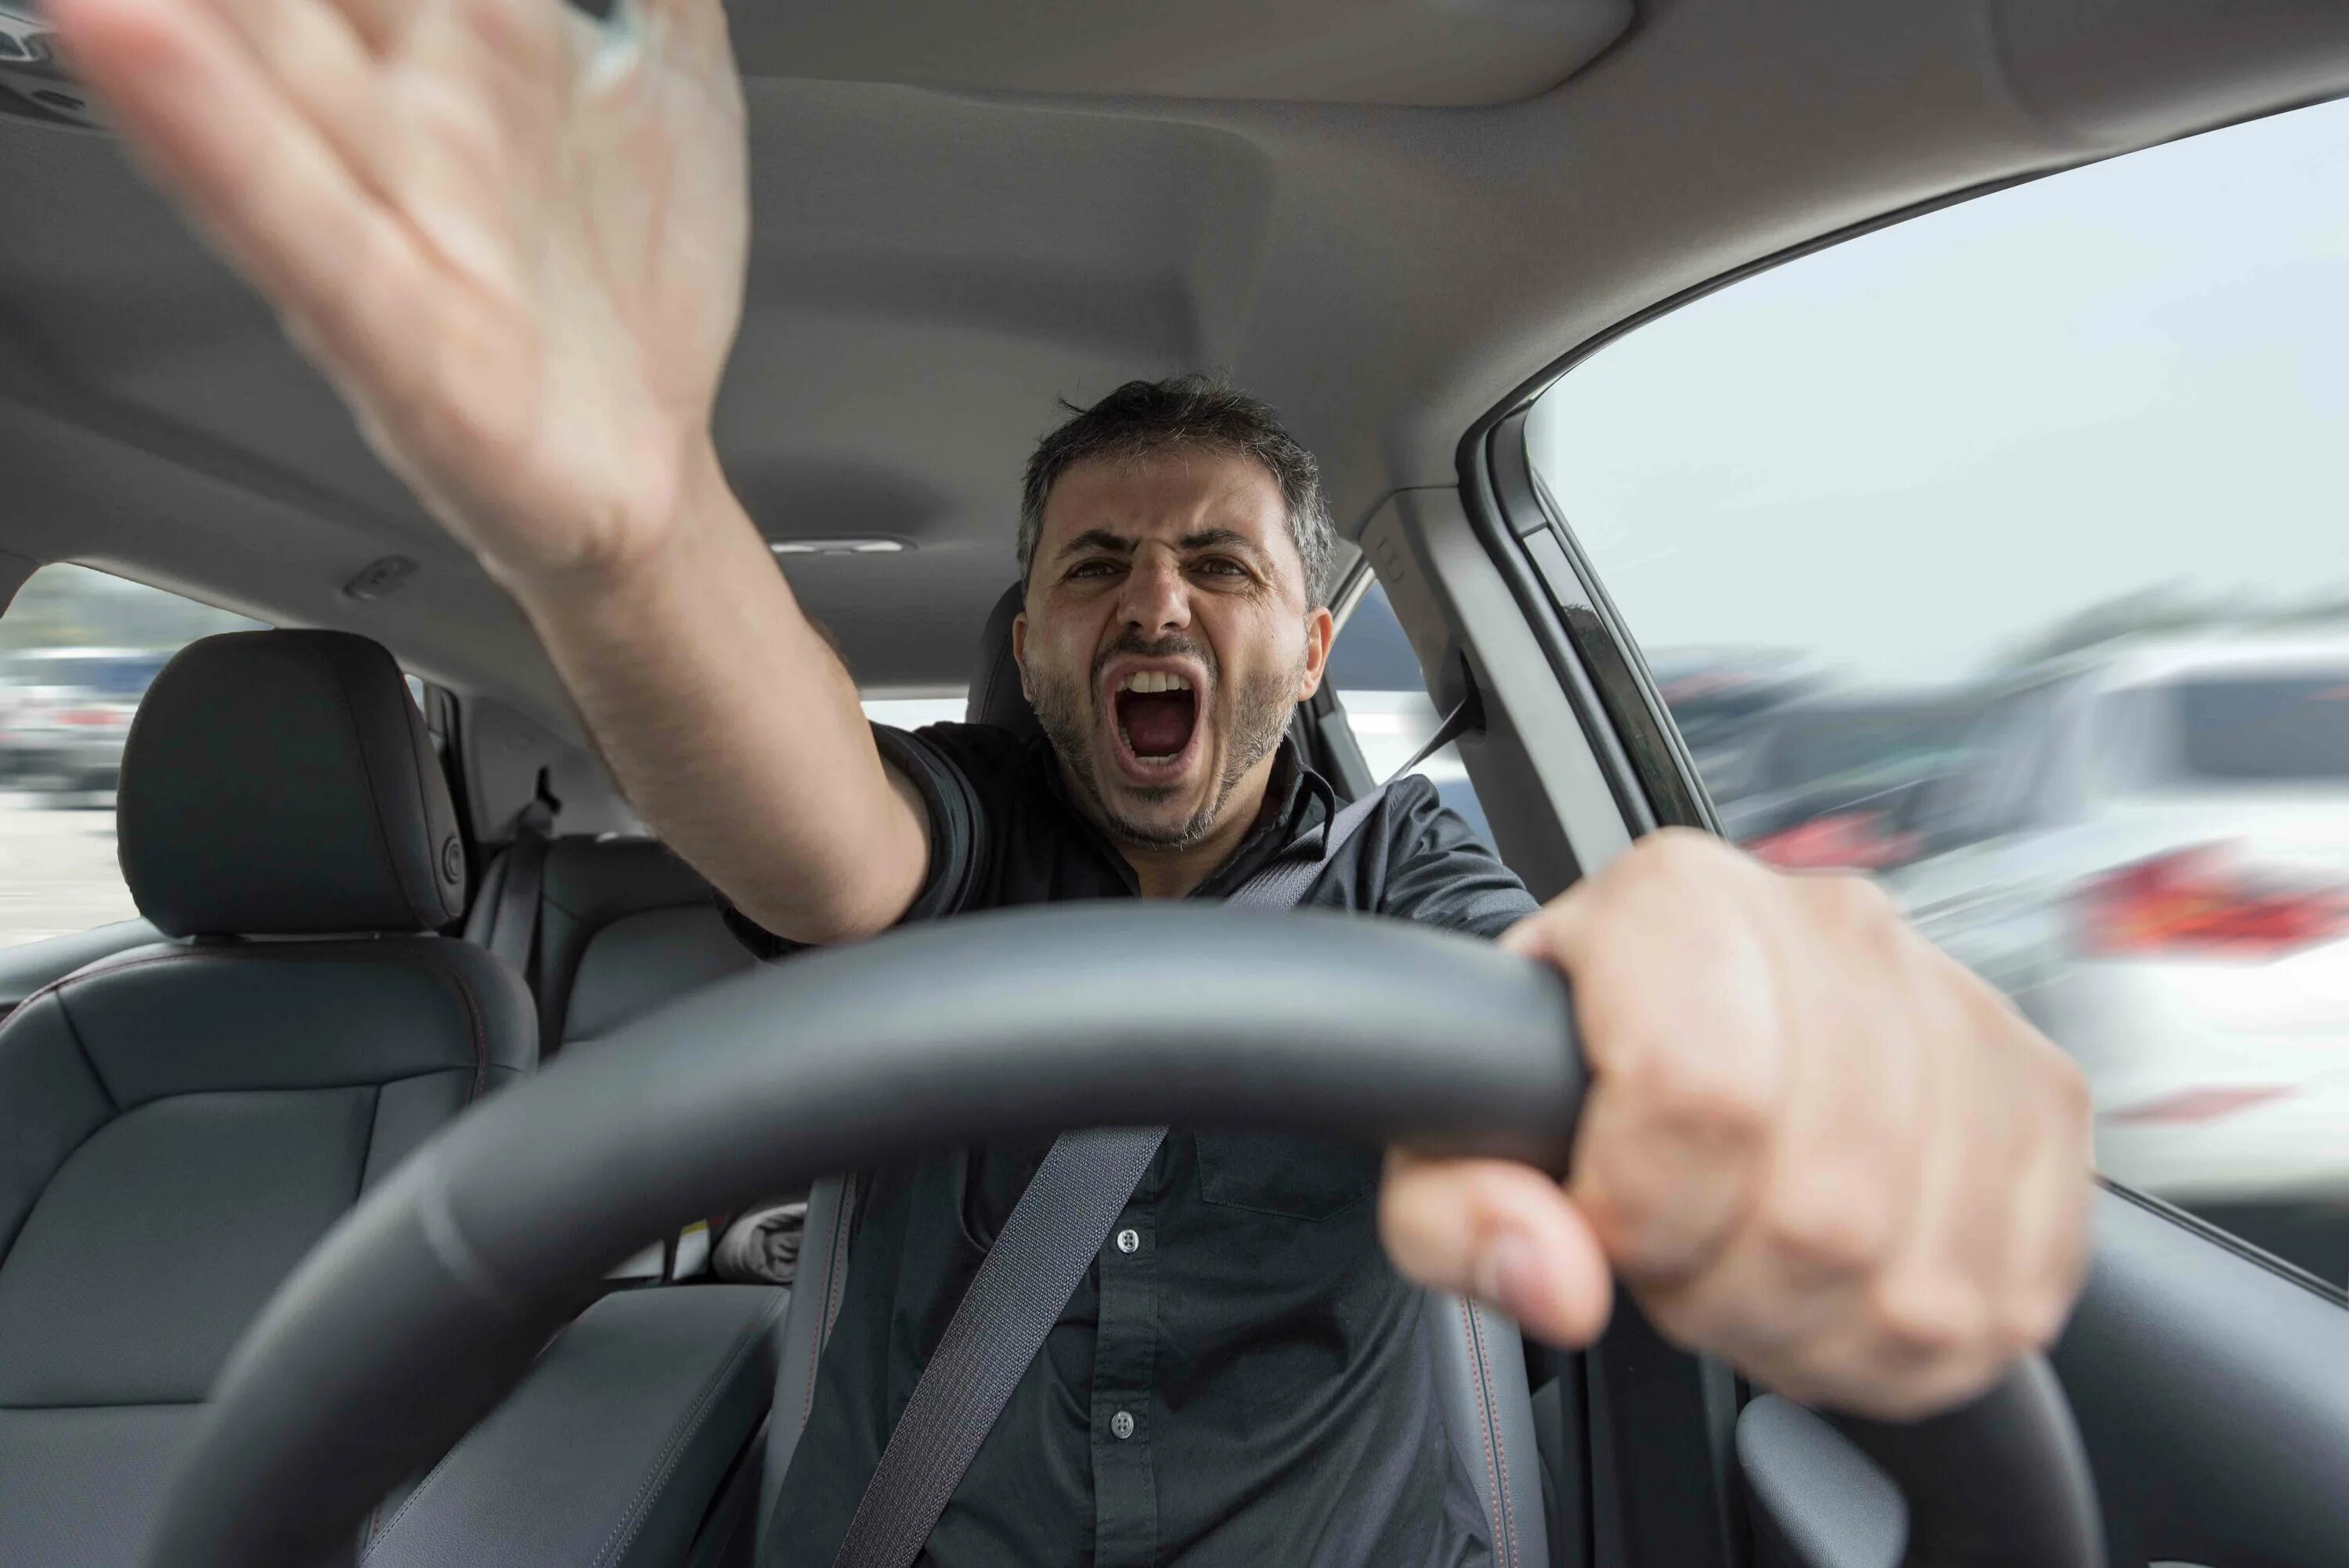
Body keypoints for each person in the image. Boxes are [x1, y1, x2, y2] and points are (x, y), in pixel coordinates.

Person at [48, 1, 2095, 1563]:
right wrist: (631, 532)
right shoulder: (969, 838)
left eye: (1221, 564)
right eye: (1096, 568)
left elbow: (1562, 972)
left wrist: (1719, 984)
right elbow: (813, 824)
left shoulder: (1407, 860)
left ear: (1308, 642)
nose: (1157, 608)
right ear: (1031, 641)